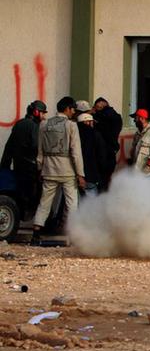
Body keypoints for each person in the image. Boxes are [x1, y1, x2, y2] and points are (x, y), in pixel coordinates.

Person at [31, 96, 85, 244]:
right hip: (67, 171)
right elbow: (76, 152)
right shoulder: (71, 125)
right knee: (72, 203)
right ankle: (73, 235)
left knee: (45, 202)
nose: (73, 112)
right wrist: (80, 174)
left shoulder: (44, 124)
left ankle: (36, 232)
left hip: (48, 169)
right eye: (73, 109)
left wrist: (40, 168)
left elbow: (40, 150)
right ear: (67, 108)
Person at [0, 100, 48, 217]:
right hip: (31, 167)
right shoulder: (34, 126)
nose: (44, 116)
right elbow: (35, 146)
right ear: (36, 112)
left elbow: (9, 145)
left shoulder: (19, 123)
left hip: (18, 165)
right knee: (33, 194)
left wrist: (5, 164)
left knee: (21, 192)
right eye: (43, 113)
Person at [93, 97, 122, 190]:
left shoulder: (102, 117)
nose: (95, 109)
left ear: (102, 106)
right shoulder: (117, 117)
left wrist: (92, 114)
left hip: (102, 153)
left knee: (100, 181)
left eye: (97, 107)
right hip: (111, 152)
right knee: (106, 180)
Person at [77, 112, 106, 196]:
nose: (93, 124)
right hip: (91, 174)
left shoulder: (73, 133)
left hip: (74, 175)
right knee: (91, 202)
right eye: (92, 122)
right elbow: (102, 154)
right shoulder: (95, 134)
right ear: (87, 122)